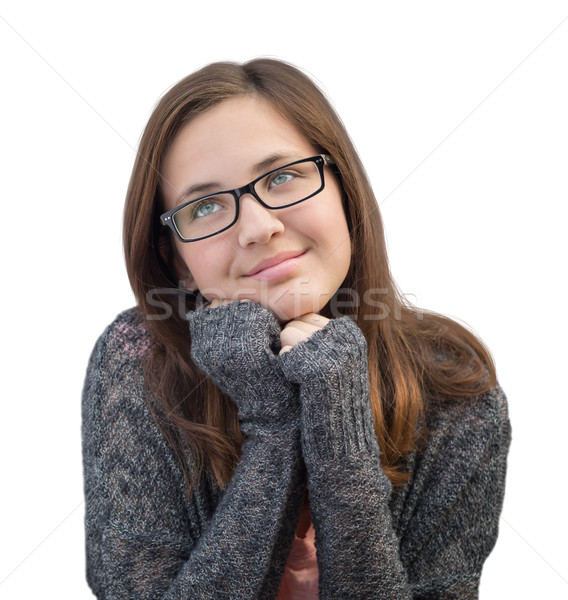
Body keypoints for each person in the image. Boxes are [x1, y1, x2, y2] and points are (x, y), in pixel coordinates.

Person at [82, 58, 511, 599]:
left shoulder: (457, 393)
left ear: (344, 190)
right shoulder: (135, 363)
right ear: (177, 260)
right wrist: (273, 425)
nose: (260, 227)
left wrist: (341, 433)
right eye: (206, 207)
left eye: (283, 177)